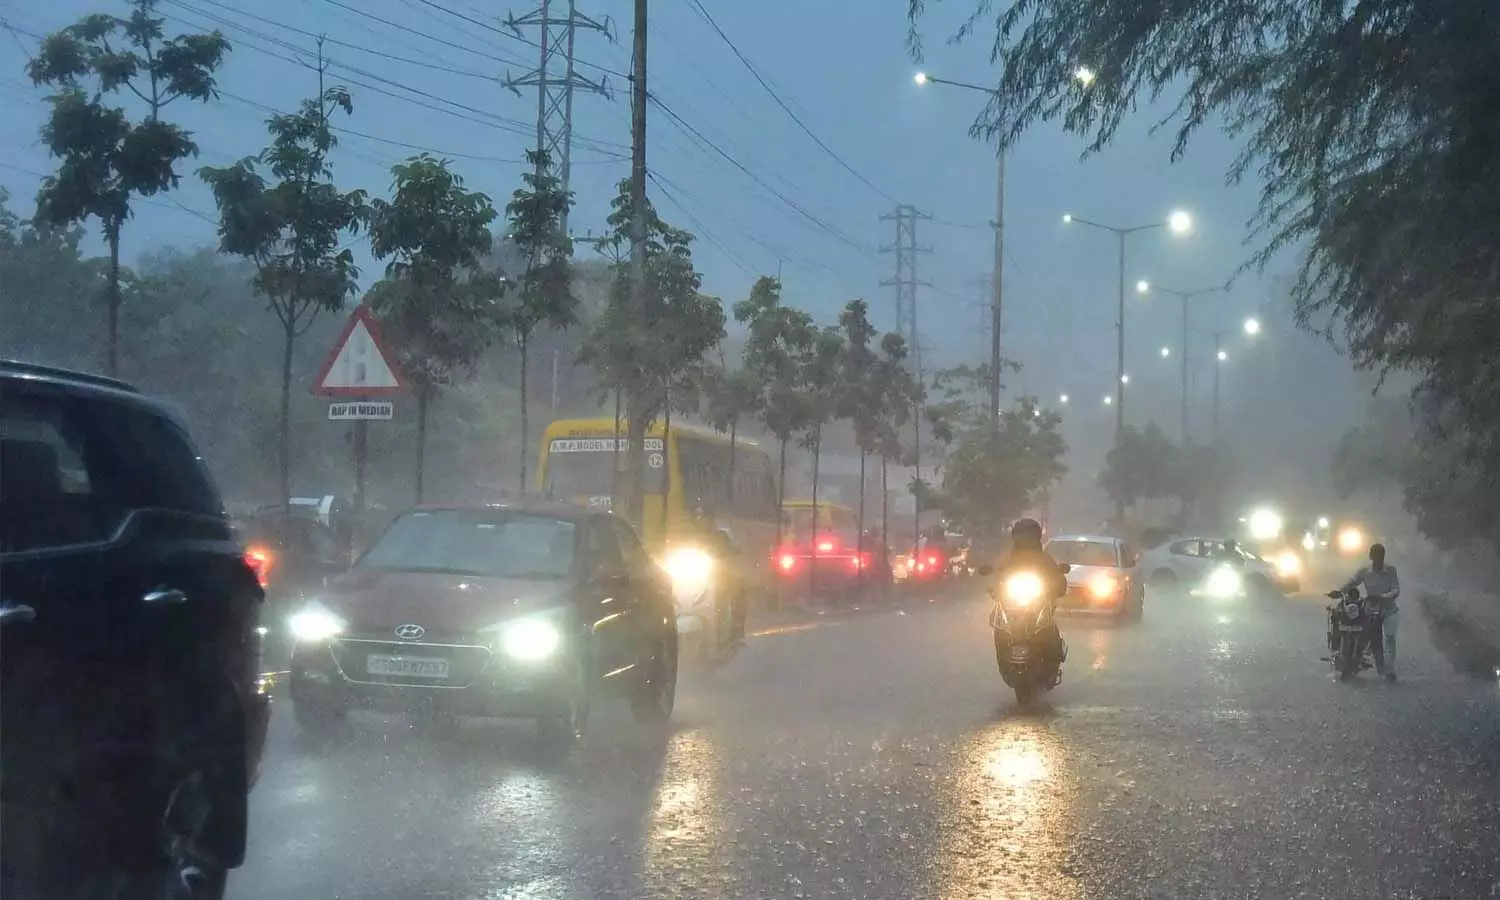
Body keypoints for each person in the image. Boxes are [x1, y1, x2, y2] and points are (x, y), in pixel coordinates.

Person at [993, 518, 1068, 685]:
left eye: (1028, 535)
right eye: (1021, 535)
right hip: (1012, 605)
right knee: (996, 622)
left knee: (1050, 626)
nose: (1024, 538)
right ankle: (1005, 662)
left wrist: (1057, 583)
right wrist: (993, 587)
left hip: (1038, 603)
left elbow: (1058, 581)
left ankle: (1053, 660)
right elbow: (996, 576)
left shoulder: (1044, 559)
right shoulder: (1008, 559)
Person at [1342, 542, 1401, 681]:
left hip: (1389, 610)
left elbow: (1395, 589)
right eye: (1375, 555)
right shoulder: (1365, 571)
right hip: (1371, 610)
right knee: (1373, 640)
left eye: (1380, 555)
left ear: (1383, 556)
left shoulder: (1391, 570)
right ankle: (1380, 669)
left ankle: (1390, 670)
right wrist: (1339, 591)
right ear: (1370, 556)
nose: (1377, 558)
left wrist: (1382, 597)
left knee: (1390, 638)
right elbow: (1352, 582)